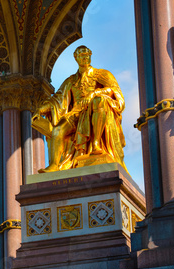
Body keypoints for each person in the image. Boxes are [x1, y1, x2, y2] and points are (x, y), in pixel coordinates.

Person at [34, 45, 126, 173]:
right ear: (76, 57)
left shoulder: (102, 74)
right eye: (82, 55)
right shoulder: (71, 81)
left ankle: (95, 145)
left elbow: (115, 92)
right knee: (57, 130)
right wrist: (41, 109)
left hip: (94, 110)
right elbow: (57, 98)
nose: (85, 58)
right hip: (75, 114)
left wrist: (94, 94)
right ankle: (54, 165)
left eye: (88, 54)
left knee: (99, 101)